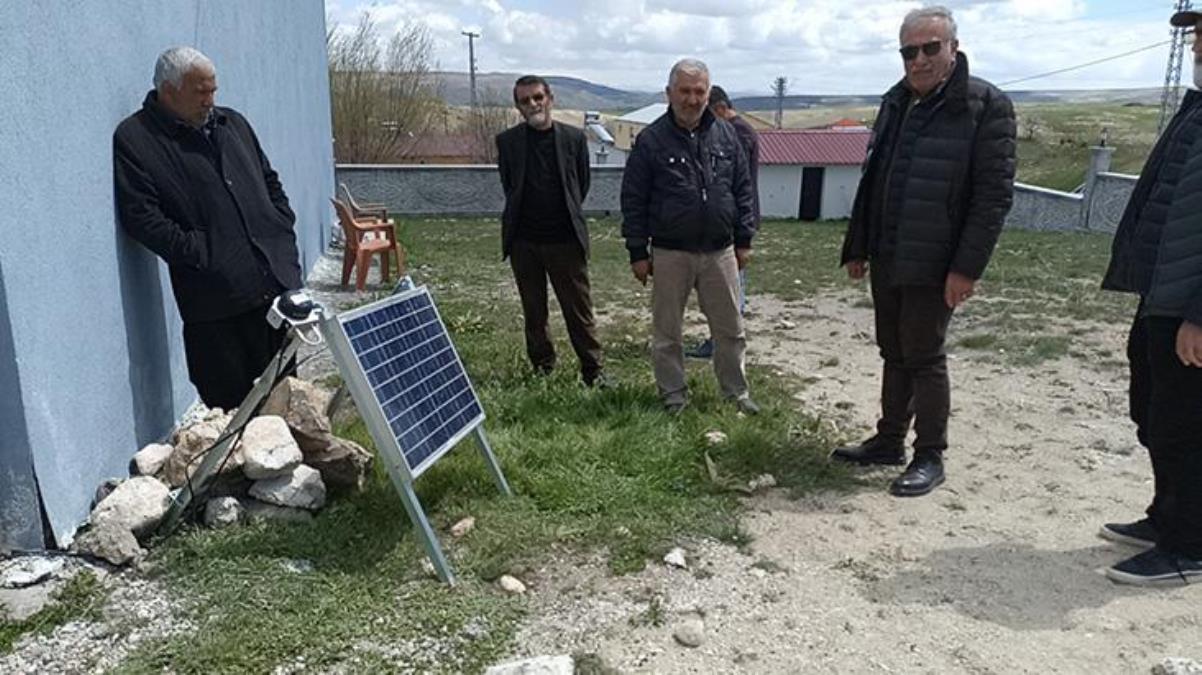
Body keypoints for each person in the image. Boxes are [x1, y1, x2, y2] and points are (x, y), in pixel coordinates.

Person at [831, 5, 1016, 496]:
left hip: (937, 263)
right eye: (909, 51)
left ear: (952, 48)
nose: (919, 59)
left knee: (925, 355)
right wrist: (860, 244)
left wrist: (966, 268)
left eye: (930, 48)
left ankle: (930, 454)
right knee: (893, 350)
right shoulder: (897, 101)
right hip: (890, 252)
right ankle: (889, 440)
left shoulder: (985, 107)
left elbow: (992, 198)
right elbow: (876, 180)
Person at [114, 46, 302, 410]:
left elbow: (269, 181)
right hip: (215, 305)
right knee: (231, 412)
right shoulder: (137, 139)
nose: (210, 100)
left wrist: (280, 224)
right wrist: (202, 254)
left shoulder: (233, 124)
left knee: (285, 402)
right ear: (169, 91)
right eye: (200, 92)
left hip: (273, 289)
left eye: (213, 90)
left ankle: (290, 466)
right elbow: (142, 217)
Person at [1095, 9, 1202, 587]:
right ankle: (1169, 518)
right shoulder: (1197, 108)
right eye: (1198, 33)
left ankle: (1190, 545)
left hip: (1191, 304)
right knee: (1155, 413)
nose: (1198, 44)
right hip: (1164, 292)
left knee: (1184, 423)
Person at [620, 58, 759, 415]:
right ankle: (674, 397)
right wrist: (638, 251)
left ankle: (736, 393)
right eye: (684, 91)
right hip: (670, 252)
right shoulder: (651, 140)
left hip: (720, 251)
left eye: (699, 91)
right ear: (669, 93)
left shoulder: (726, 135)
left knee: (730, 329)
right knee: (668, 333)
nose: (692, 99)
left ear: (708, 94)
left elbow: (743, 189)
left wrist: (744, 239)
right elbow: (633, 199)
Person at [495, 75, 606, 387]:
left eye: (538, 98)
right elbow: (509, 185)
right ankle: (542, 368)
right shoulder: (507, 142)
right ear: (518, 106)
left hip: (565, 241)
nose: (533, 105)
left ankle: (593, 371)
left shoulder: (573, 139)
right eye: (525, 100)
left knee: (579, 311)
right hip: (524, 242)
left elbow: (580, 185)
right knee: (534, 312)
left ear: (550, 99)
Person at [686, 85, 760, 360]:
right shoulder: (742, 129)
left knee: (730, 291)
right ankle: (720, 338)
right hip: (733, 218)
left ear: (717, 108)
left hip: (733, 221)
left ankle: (723, 341)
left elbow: (730, 181)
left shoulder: (736, 133)